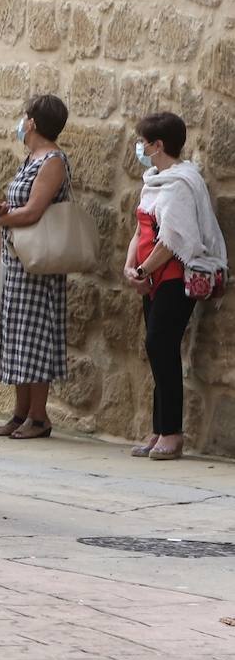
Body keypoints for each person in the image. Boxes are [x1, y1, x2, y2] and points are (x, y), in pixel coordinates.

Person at [126, 112, 228, 460]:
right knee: (156, 350)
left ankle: (172, 433)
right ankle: (159, 430)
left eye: (143, 142)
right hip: (152, 279)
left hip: (173, 279)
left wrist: (143, 269)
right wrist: (131, 267)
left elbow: (173, 239)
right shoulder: (154, 179)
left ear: (158, 145)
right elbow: (142, 226)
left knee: (162, 346)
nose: (139, 147)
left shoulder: (181, 184)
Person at [0, 95, 72, 440]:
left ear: (33, 122)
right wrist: (4, 210)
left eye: (25, 117)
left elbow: (34, 211)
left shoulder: (53, 160)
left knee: (36, 335)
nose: (21, 122)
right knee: (17, 335)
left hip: (39, 262)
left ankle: (39, 416)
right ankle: (20, 412)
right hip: (19, 258)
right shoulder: (32, 158)